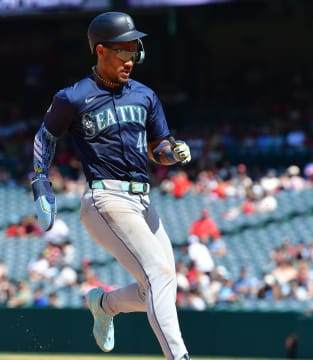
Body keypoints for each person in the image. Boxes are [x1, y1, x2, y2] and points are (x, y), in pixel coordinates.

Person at [31, 11, 192, 360]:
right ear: (101, 50)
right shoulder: (73, 97)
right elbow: (45, 137)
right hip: (105, 198)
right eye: (124, 50)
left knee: (163, 285)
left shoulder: (145, 95)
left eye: (135, 51)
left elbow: (158, 149)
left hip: (143, 201)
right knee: (159, 274)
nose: (131, 59)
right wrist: (40, 181)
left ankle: (104, 304)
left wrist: (172, 153)